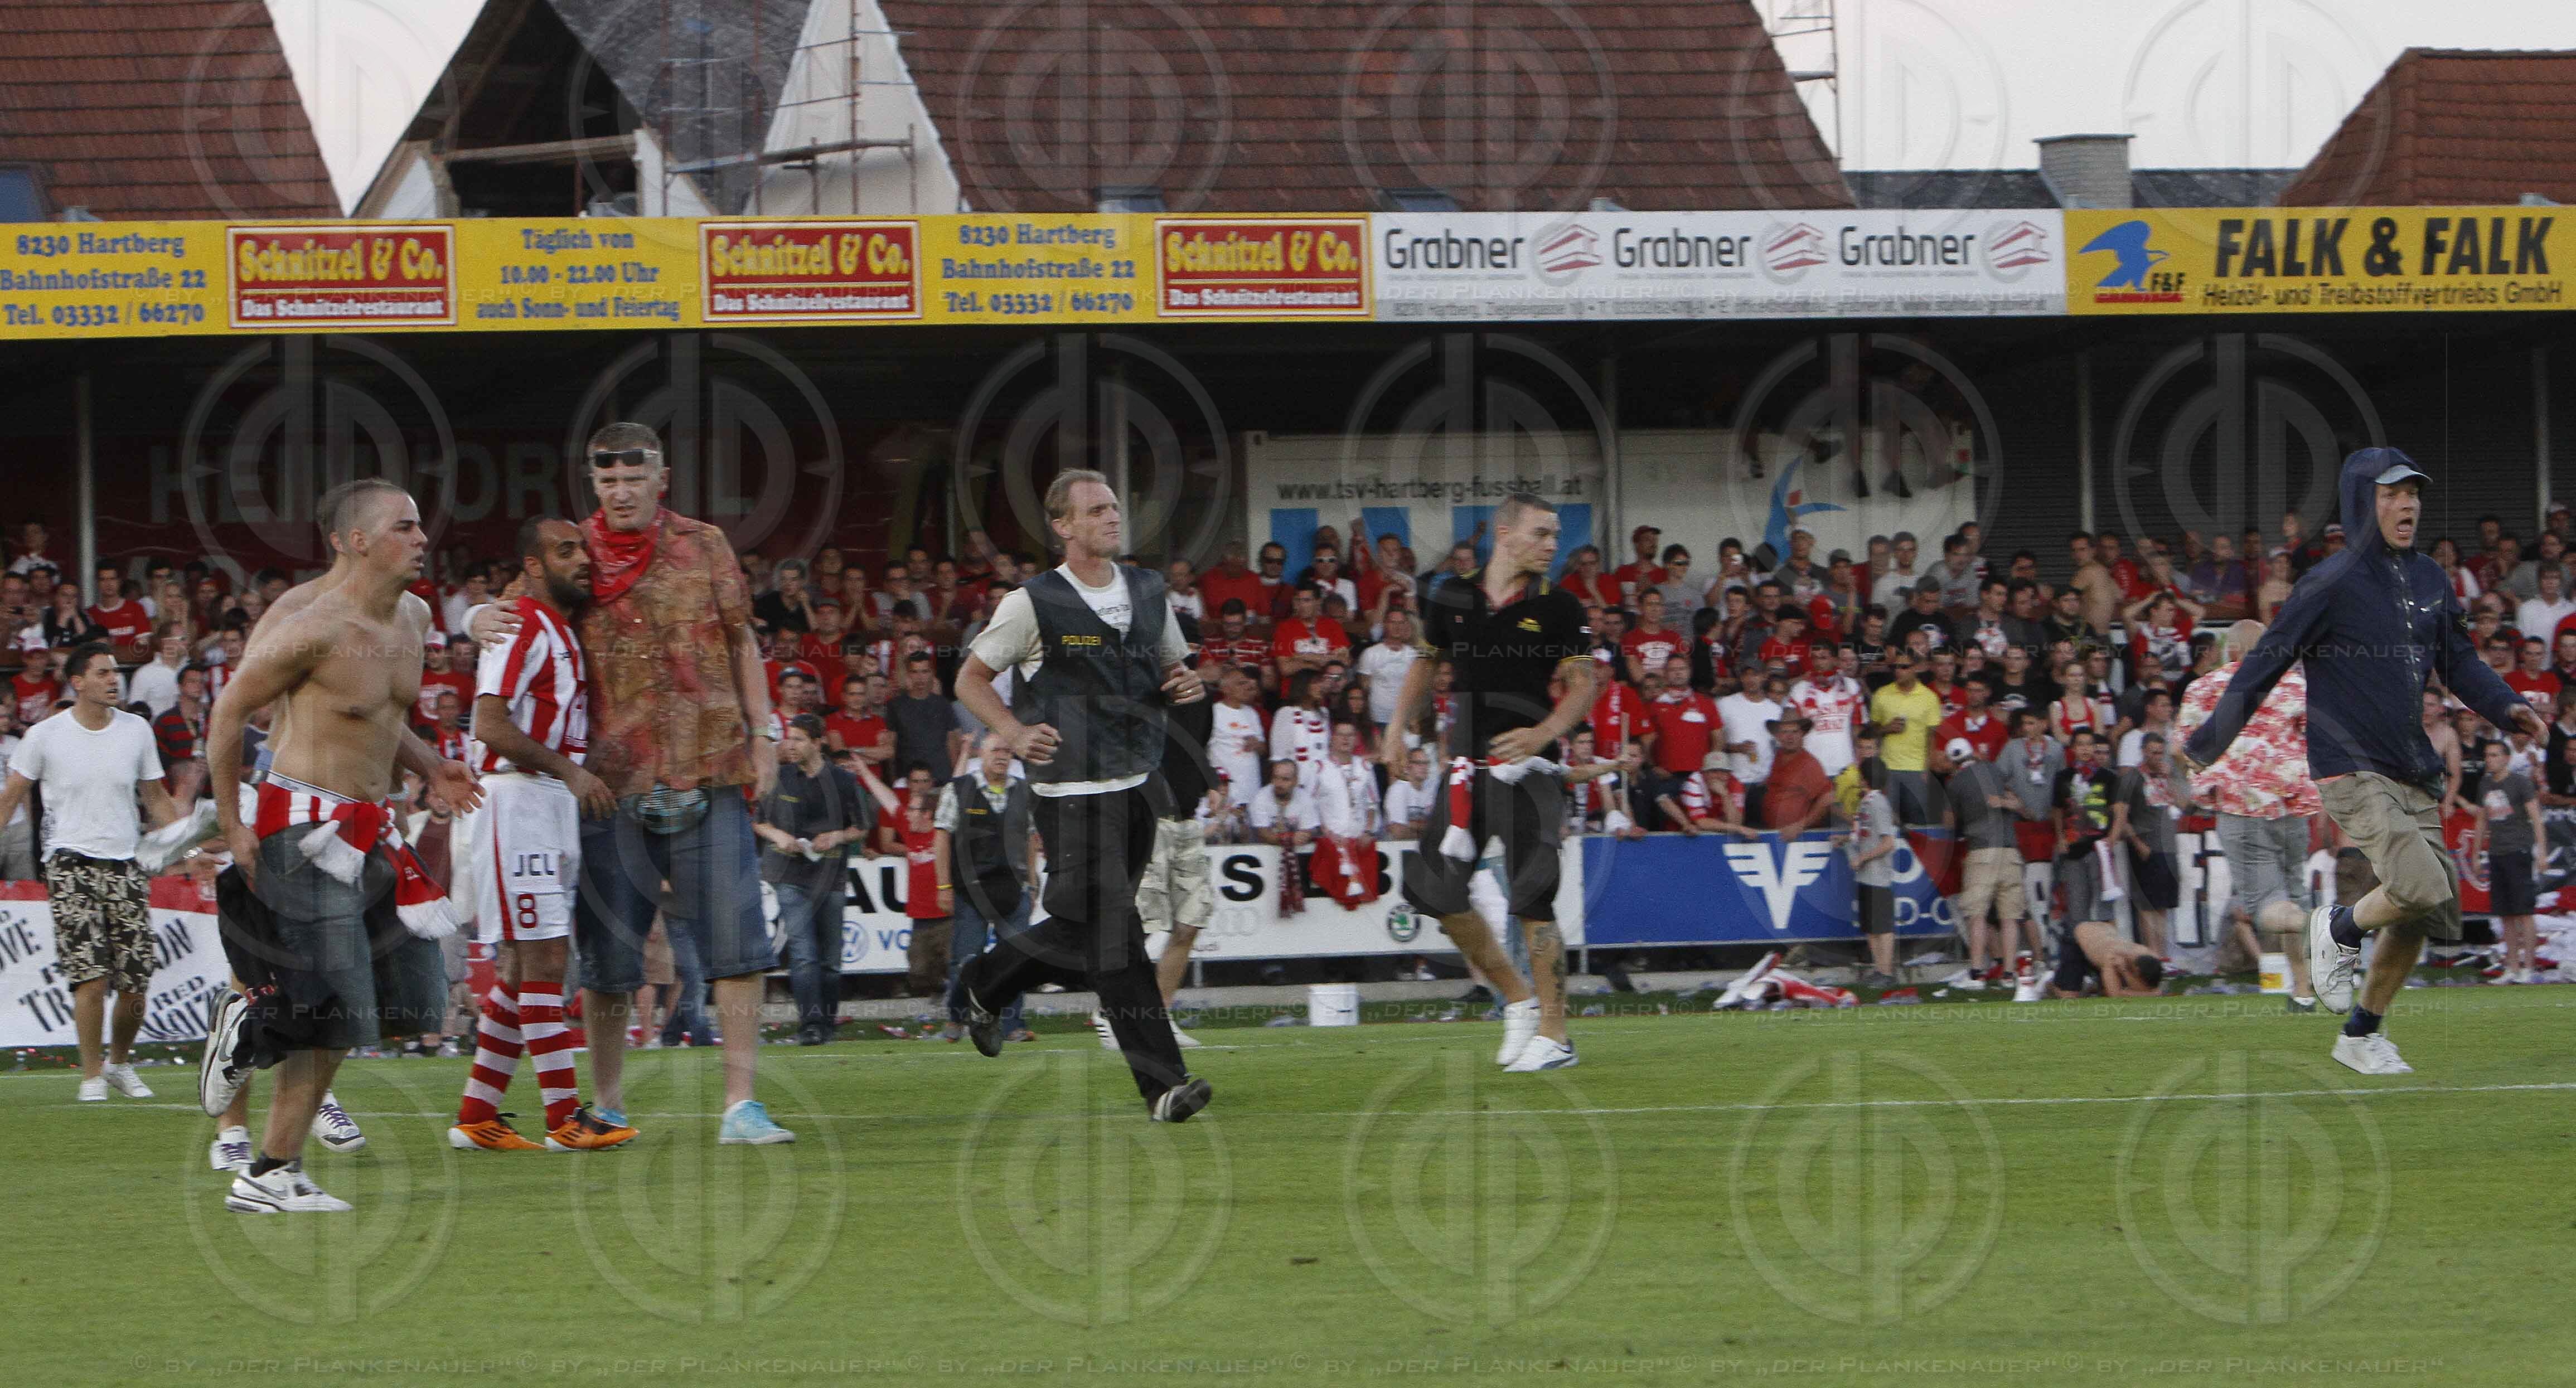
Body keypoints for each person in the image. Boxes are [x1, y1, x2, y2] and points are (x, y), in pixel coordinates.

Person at [473, 423, 793, 1143]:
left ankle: (741, 1103)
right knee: (611, 958)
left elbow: (743, 637)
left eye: (632, 478)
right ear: (595, 483)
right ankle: (610, 1100)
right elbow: (513, 613)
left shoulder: (706, 543)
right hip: (608, 782)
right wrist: (471, 615)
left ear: (662, 478)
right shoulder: (573, 552)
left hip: (710, 763)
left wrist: (764, 729)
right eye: (607, 480)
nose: (620, 492)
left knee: (739, 944)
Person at [2185, 449, 2545, 1076]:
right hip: (2349, 767)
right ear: (2360, 502)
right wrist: (2207, 743)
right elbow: (2264, 662)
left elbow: (2459, 664)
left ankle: (2360, 1034)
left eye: (2413, 494)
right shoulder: (2327, 582)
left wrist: (2508, 707)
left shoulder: (2432, 578)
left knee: (2422, 911)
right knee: (2422, 886)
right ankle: (2339, 928)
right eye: (2390, 494)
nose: (2407, 505)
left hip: (2414, 767)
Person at [202, 480, 485, 1212]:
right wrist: (234, 823)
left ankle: (257, 1037)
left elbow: (380, 717)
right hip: (301, 822)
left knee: (410, 998)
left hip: (370, 822)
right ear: (357, 540)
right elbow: (229, 711)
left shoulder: (417, 615)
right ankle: (268, 1170)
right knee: (333, 1004)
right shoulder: (312, 621)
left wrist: (431, 766)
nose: (424, 537)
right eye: (406, 525)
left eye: (422, 524)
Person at [950, 469, 1212, 1123]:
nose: (1112, 518)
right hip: (1072, 794)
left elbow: (1173, 667)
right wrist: (1010, 730)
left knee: (1084, 930)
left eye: (1115, 507)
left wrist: (1183, 685)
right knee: (1117, 939)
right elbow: (971, 679)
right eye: (1095, 510)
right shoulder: (1031, 602)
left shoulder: (1151, 590)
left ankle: (984, 982)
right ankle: (1164, 1086)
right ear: (1062, 526)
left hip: (1138, 785)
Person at [1387, 491, 1597, 1072]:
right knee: (1432, 890)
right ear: (1505, 535)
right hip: (1465, 770)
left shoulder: (1560, 605)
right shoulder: (1450, 595)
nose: (1553, 545)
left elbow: (1584, 683)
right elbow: (1426, 665)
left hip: (1532, 773)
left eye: (1556, 535)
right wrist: (1396, 730)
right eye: (1542, 534)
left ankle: (1556, 1037)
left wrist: (1544, 731)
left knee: (1533, 900)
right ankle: (1518, 999)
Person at [445, 517, 634, 1152]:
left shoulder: (556, 626)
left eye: (582, 548)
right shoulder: (519, 621)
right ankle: (563, 1119)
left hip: (547, 802)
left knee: (527, 967)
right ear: (532, 564)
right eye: (565, 550)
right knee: (547, 961)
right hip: (518, 799)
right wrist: (571, 772)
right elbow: (489, 724)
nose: (582, 559)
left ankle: (477, 1115)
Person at [0, 644, 188, 1102]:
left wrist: (192, 846)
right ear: (77, 682)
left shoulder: (137, 730)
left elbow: (158, 799)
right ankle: (90, 1076)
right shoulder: (44, 735)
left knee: (136, 980)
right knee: (90, 975)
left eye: (116, 672)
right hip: (68, 862)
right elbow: (12, 796)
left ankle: (120, 1064)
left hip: (126, 862)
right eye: (103, 673)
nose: (114, 680)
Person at [2177, 619, 2320, 1010]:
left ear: (2232, 651)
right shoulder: (2296, 686)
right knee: (2292, 897)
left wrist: (2202, 772)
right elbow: (2319, 739)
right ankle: (2304, 990)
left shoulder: (2205, 687)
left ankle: (2331, 927)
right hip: (2292, 808)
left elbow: (2181, 748)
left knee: (2264, 908)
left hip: (2242, 807)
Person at [753, 715, 871, 1047]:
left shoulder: (844, 782)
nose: (791, 745)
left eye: (799, 739)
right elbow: (759, 821)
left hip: (830, 876)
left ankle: (827, 1023)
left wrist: (835, 837)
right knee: (804, 953)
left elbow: (862, 827)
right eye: (789, 739)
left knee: (831, 959)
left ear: (818, 743)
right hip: (790, 876)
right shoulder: (780, 778)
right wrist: (779, 836)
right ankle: (811, 1026)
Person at [1941, 735, 2038, 989]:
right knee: (2010, 917)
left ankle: (1976, 974)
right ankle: (2009, 975)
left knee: (1977, 915)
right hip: (2010, 851)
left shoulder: (1956, 783)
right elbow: (2019, 802)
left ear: (1953, 762)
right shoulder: (1995, 770)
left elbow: (1951, 823)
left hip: (1982, 852)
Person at [2473, 739, 2545, 983]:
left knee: (2524, 911)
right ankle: (2512, 966)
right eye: (2487, 755)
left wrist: (2542, 852)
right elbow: (2482, 820)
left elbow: (2536, 818)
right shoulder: (2484, 784)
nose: (2489, 759)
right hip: (2497, 852)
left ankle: (2529, 967)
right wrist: (2475, 853)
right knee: (2505, 914)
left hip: (2519, 851)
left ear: (2506, 758)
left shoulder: (2520, 783)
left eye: (2494, 755)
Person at [1845, 756, 1900, 987]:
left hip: (1877, 874)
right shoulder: (1868, 802)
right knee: (1871, 927)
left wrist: (1863, 857)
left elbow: (1889, 842)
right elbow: (1869, 835)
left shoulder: (1878, 803)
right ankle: (1879, 970)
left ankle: (1886, 973)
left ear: (1864, 778)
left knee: (1882, 927)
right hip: (1867, 874)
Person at [1869, 651, 1942, 823]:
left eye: (1904, 667)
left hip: (1917, 769)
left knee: (1918, 819)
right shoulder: (1882, 694)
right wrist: (1886, 728)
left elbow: (1932, 738)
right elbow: (1871, 731)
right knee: (1886, 819)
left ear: (1915, 668)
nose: (1898, 671)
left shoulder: (1929, 698)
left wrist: (1927, 769)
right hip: (1887, 767)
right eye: (1895, 667)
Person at [2044, 920, 2168, 998]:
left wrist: (2151, 991)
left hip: (2102, 933)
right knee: (2069, 996)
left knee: (2106, 990)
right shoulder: (2113, 957)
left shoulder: (2150, 955)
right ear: (2135, 970)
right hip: (2077, 939)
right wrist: (2151, 994)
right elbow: (2116, 995)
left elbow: (2151, 985)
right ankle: (2049, 984)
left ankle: (2092, 985)